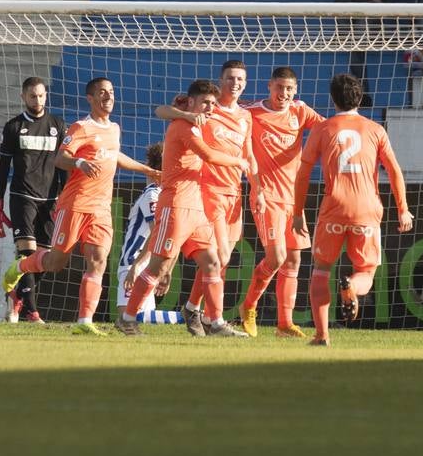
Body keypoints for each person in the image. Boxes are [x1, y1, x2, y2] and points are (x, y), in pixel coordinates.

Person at [1, 77, 160, 336]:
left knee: (97, 261)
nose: (108, 96)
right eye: (102, 93)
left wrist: (148, 170)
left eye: (111, 91)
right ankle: (18, 268)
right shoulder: (80, 127)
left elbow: (114, 155)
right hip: (74, 205)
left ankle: (85, 321)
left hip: (100, 208)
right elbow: (60, 157)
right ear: (91, 98)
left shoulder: (114, 129)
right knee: (55, 262)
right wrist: (79, 164)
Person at [114, 79, 248, 339]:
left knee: (213, 262)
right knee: (159, 267)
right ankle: (128, 318)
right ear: (191, 102)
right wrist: (239, 161)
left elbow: (163, 109)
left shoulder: (197, 121)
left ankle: (216, 322)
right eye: (205, 102)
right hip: (175, 205)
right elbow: (208, 156)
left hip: (196, 205)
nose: (210, 107)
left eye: (212, 102)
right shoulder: (183, 126)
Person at [293, 72, 412, 347]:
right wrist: (403, 209)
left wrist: (298, 212)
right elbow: (394, 171)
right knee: (366, 272)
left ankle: (321, 335)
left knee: (321, 270)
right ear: (360, 98)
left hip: (334, 207)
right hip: (367, 209)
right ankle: (352, 289)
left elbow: (303, 172)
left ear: (332, 99)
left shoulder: (323, 129)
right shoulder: (375, 129)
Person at [157, 61, 258, 336]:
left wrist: (257, 189)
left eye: (239, 79)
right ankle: (214, 322)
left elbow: (247, 155)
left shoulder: (245, 117)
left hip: (233, 193)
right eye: (230, 78)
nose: (234, 83)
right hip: (207, 190)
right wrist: (186, 115)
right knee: (220, 255)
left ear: (245, 84)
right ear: (221, 80)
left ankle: (192, 307)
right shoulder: (205, 108)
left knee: (220, 260)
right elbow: (162, 111)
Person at [237, 67, 324, 338]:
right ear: (269, 86)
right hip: (266, 196)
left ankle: (284, 324)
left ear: (295, 90)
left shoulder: (300, 111)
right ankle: (248, 307)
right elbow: (224, 108)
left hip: (292, 200)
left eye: (289, 89)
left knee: (294, 260)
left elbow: (326, 128)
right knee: (277, 257)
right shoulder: (251, 112)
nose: (283, 94)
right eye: (279, 87)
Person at [0, 76, 66, 325]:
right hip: (22, 196)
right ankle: (33, 313)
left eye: (41, 95)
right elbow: (3, 168)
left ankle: (17, 294)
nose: (38, 100)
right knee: (27, 253)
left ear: (46, 96)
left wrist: (65, 197)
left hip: (51, 199)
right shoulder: (13, 127)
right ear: (23, 97)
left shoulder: (58, 125)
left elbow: (64, 166)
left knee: (44, 260)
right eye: (33, 96)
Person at [115, 145, 165, 323]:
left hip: (134, 262)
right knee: (142, 320)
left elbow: (156, 234)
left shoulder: (152, 195)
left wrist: (137, 266)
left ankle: (194, 316)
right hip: (148, 263)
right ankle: (197, 316)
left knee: (127, 319)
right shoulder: (163, 196)